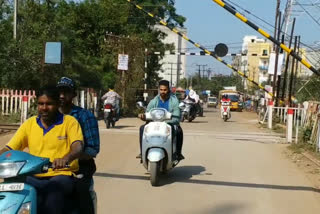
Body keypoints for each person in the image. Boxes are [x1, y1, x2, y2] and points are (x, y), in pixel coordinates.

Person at [0, 85, 84, 214]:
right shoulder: (29, 124)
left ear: (57, 104)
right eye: (40, 104)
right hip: (33, 175)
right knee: (9, 186)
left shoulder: (69, 122)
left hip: (61, 175)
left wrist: (65, 159)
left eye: (49, 104)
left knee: (53, 191)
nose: (44, 108)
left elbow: (77, 146)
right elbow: (9, 148)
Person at [57, 77, 100, 214]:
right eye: (59, 92)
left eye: (66, 92)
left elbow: (93, 148)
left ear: (73, 95)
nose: (62, 96)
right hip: (51, 166)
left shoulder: (84, 116)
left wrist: (69, 158)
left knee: (81, 192)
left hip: (79, 168)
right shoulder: (50, 115)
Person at [137, 80, 184, 160]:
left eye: (165, 90)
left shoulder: (174, 101)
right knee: (142, 128)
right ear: (159, 90)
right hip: (154, 124)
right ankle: (142, 153)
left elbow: (177, 116)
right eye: (161, 90)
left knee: (179, 131)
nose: (163, 92)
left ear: (168, 90)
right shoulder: (154, 101)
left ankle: (177, 153)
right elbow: (148, 112)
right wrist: (143, 116)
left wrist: (168, 121)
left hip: (168, 124)